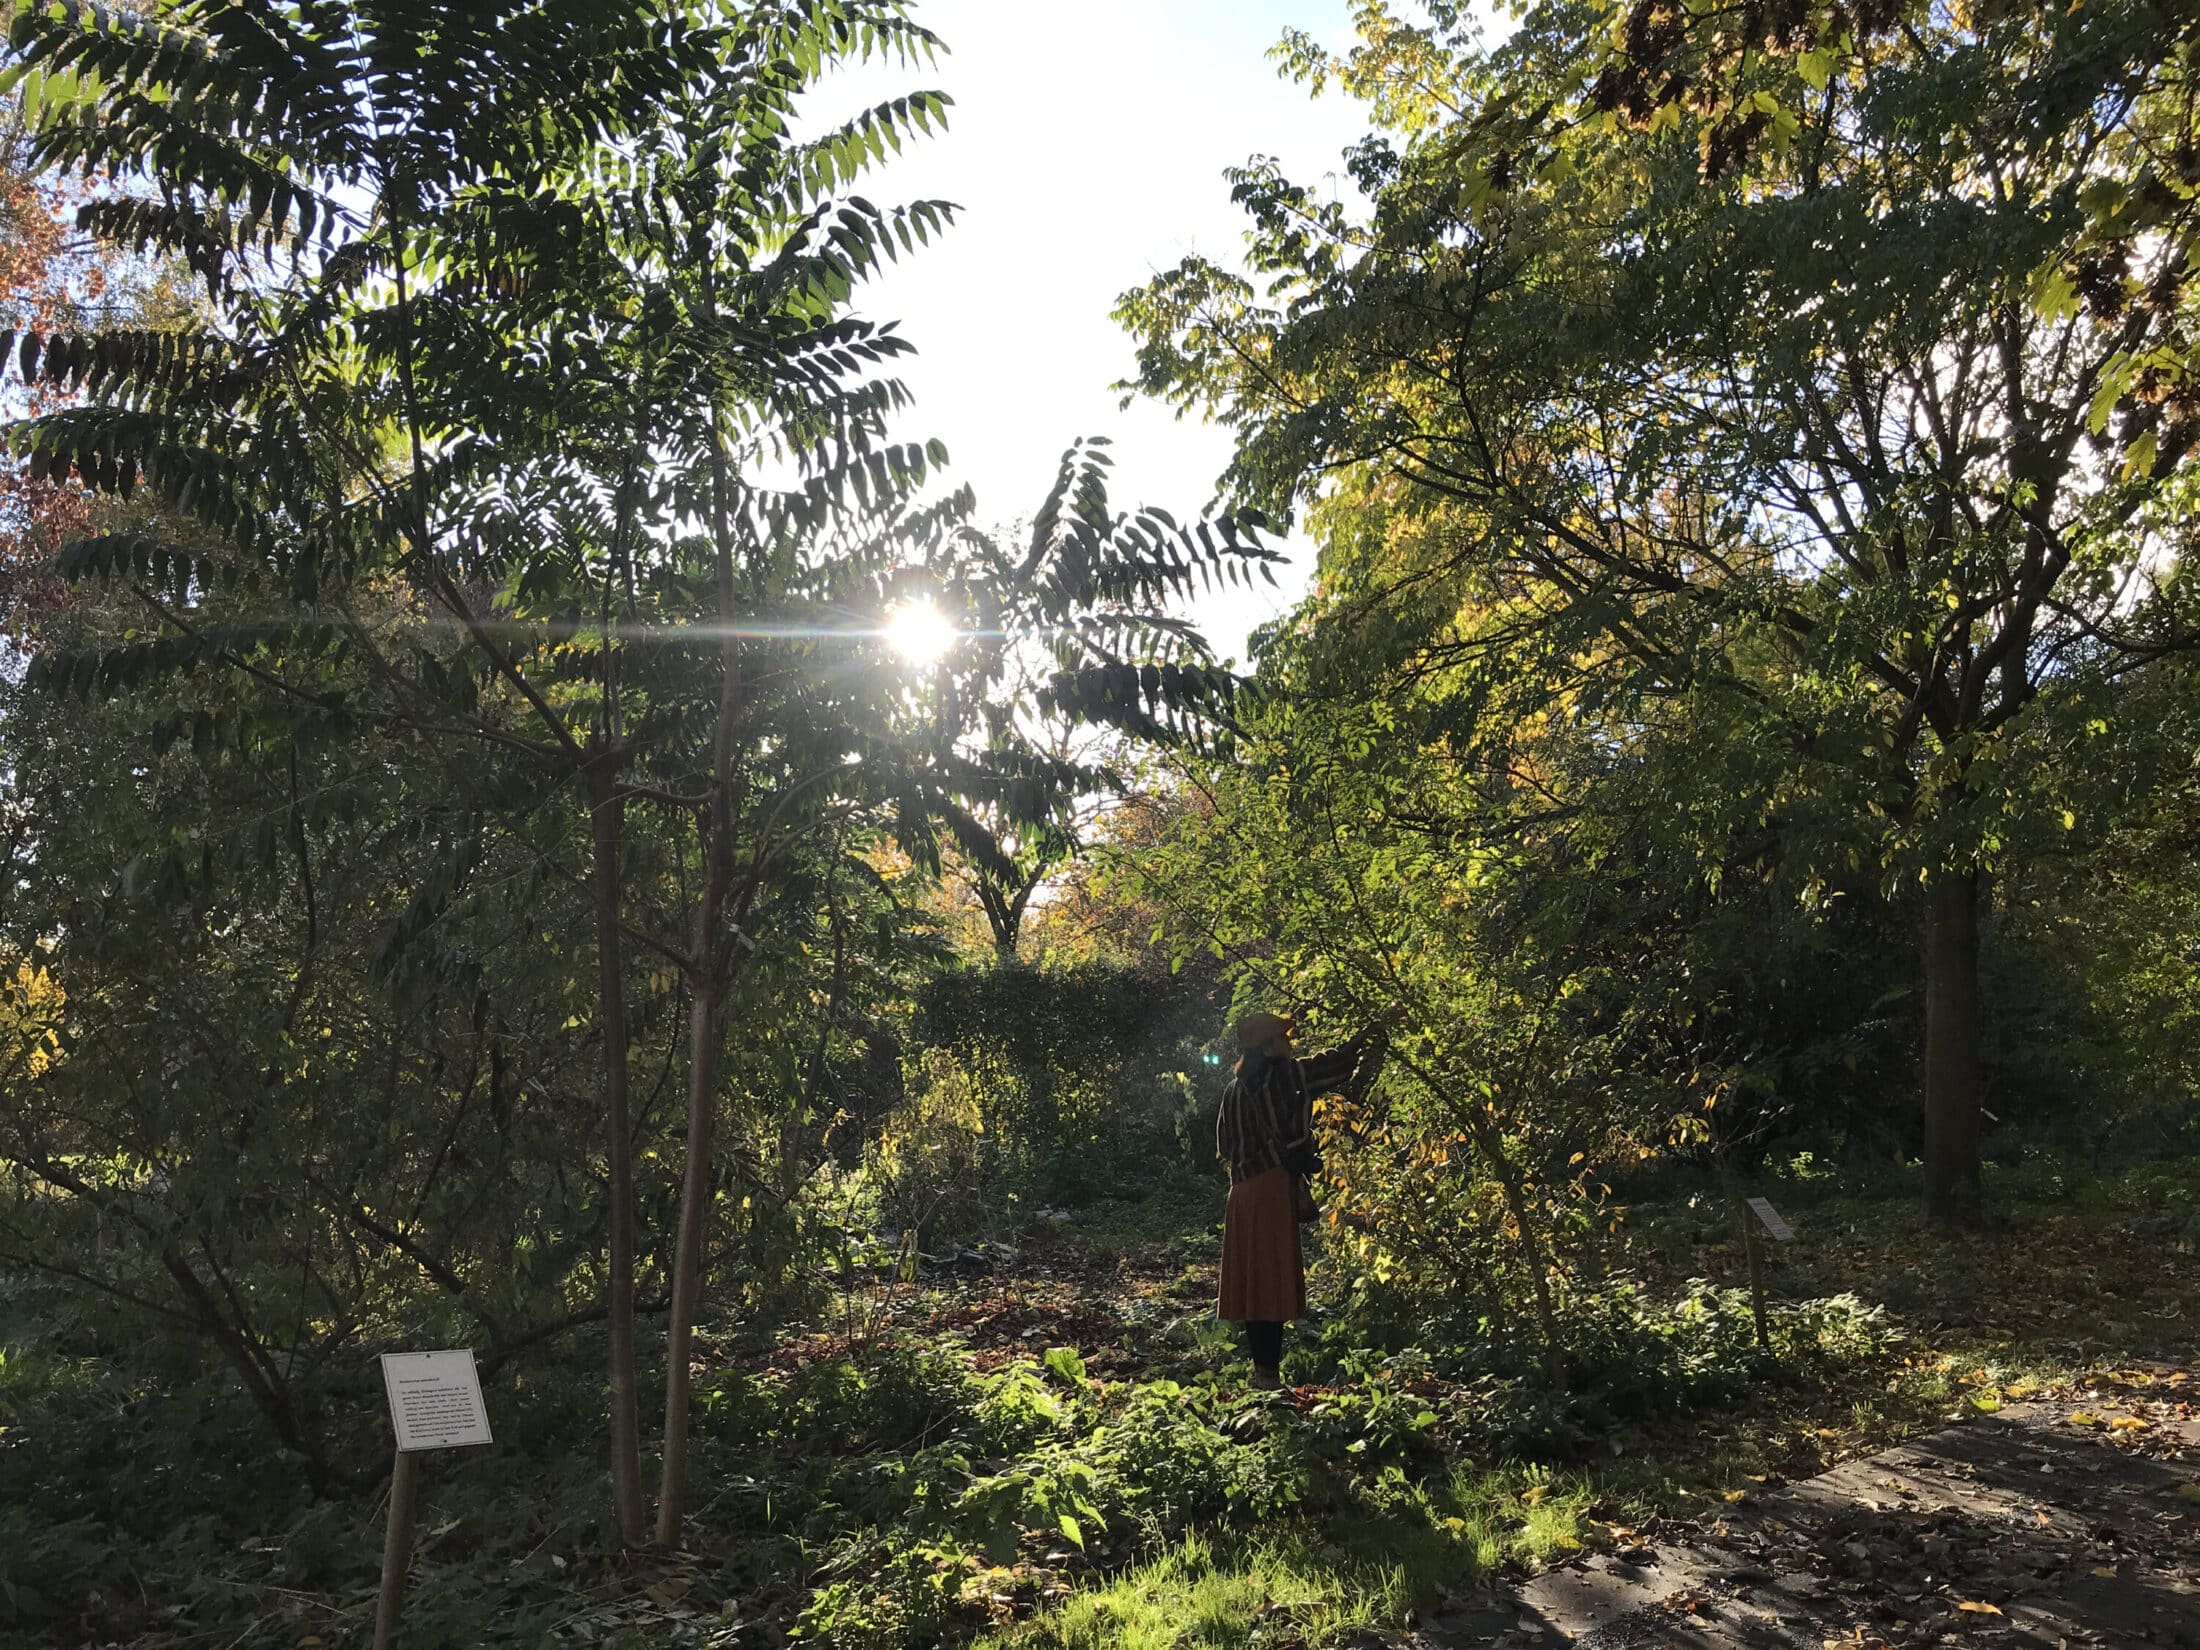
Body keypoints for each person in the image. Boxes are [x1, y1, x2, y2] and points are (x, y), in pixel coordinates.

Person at [1214, 1008, 1388, 1390]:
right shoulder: (1287, 1076)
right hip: (1271, 1189)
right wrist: (1373, 1030)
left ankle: (1263, 1374)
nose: (1289, 1043)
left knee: (1253, 1285)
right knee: (1271, 1282)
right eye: (1283, 1037)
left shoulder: (1232, 1091)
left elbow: (1225, 1146)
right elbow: (1335, 1064)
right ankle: (1268, 1379)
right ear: (1268, 1047)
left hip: (1241, 1194)